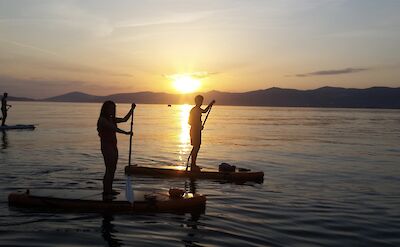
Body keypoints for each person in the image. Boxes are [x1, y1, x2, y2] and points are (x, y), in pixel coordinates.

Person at [97, 101, 135, 200]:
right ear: (105, 109)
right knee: (109, 169)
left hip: (114, 146)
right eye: (110, 108)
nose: (112, 110)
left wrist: (132, 110)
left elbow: (125, 119)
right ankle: (106, 191)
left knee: (113, 168)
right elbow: (114, 129)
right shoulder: (102, 120)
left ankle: (110, 189)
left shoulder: (112, 119)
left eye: (113, 108)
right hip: (106, 147)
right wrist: (126, 133)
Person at [188, 95, 215, 172]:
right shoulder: (194, 110)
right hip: (194, 131)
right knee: (196, 147)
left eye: (202, 101)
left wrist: (210, 104)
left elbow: (204, 111)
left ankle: (193, 164)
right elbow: (189, 122)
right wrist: (197, 127)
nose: (201, 103)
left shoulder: (198, 109)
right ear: (197, 101)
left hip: (197, 131)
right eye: (200, 101)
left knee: (197, 147)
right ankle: (193, 165)